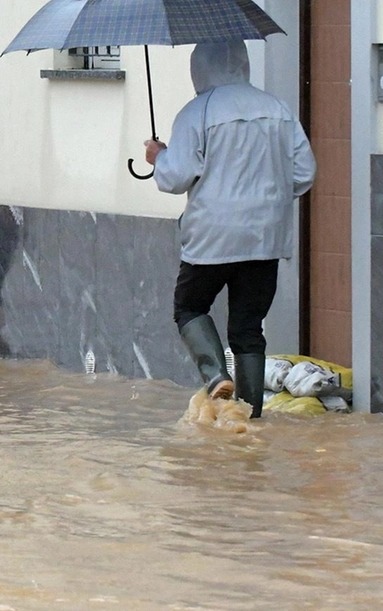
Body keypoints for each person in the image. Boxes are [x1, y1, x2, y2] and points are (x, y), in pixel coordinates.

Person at [144, 41, 316, 418]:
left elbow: (175, 177)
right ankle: (251, 417)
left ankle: (216, 376)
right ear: (243, 65)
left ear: (198, 70)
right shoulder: (278, 109)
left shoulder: (197, 112)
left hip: (212, 237)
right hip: (264, 237)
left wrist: (160, 157)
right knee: (249, 328)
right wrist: (266, 197)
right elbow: (304, 173)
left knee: (189, 307)